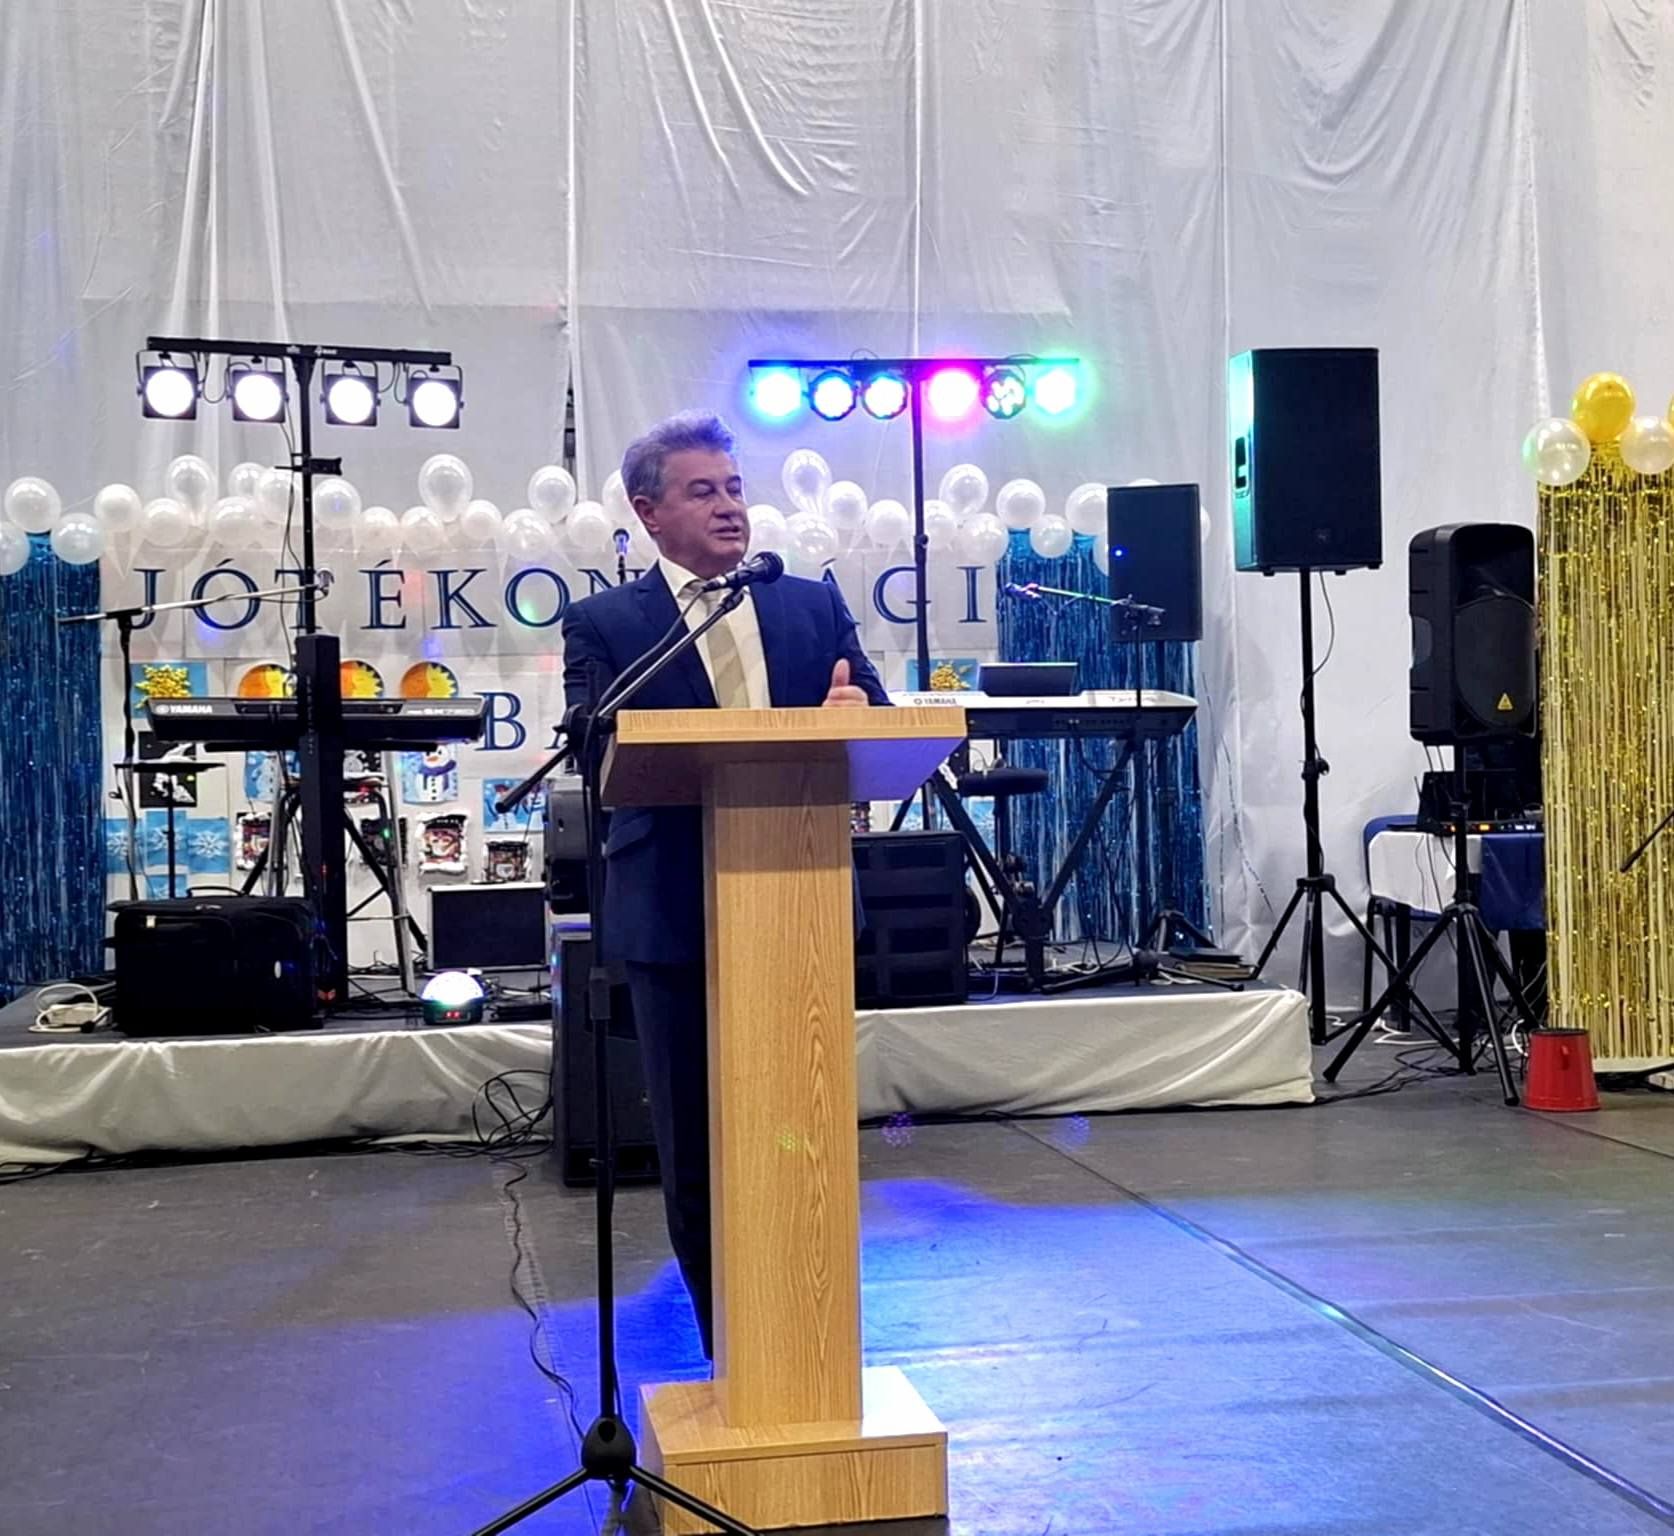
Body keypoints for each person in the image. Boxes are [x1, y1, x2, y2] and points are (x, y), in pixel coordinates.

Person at [560, 410, 888, 1357]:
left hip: (800, 907)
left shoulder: (809, 606)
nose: (729, 507)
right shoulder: (608, 624)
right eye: (702, 491)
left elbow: (874, 713)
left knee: (803, 1129)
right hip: (674, 914)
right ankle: (732, 1352)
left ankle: (811, 1348)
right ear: (649, 512)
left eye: (736, 488)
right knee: (700, 1142)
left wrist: (855, 710)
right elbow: (593, 748)